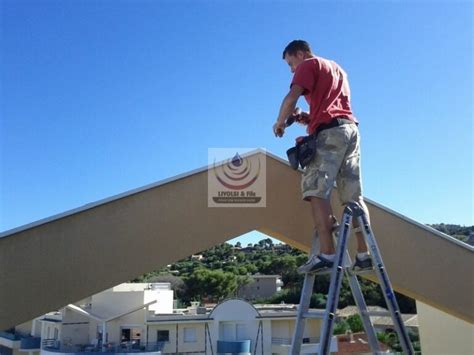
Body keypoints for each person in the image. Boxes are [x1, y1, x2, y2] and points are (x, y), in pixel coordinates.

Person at [273, 39, 372, 273]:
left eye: (291, 63)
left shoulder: (309, 64)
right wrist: (305, 118)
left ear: (300, 53)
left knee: (316, 190)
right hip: (349, 130)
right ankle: (364, 254)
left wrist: (279, 123)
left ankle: (327, 254)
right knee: (353, 197)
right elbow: (331, 108)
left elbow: (291, 96)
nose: (292, 69)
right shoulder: (337, 69)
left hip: (329, 133)